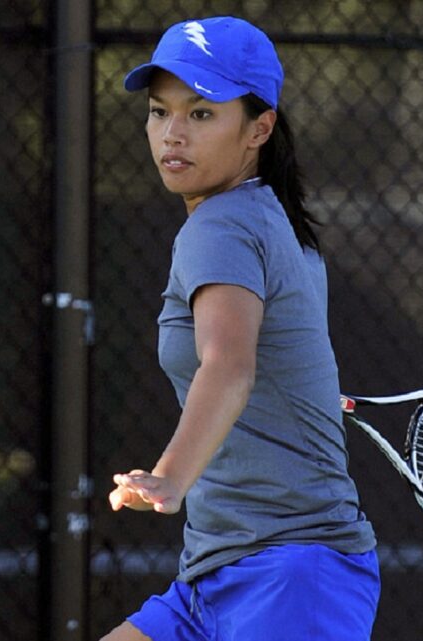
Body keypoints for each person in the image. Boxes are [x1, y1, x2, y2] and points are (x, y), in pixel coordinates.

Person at [102, 16, 380, 641]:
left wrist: (170, 476)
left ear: (259, 127)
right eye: (158, 111)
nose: (171, 133)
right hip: (217, 577)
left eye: (201, 114)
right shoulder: (275, 224)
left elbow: (228, 364)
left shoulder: (222, 226)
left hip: (290, 578)